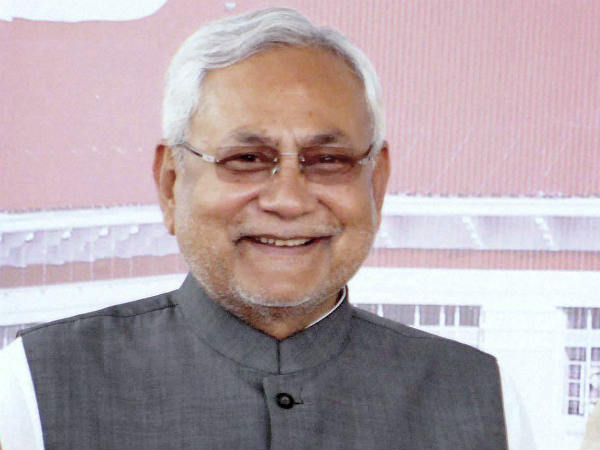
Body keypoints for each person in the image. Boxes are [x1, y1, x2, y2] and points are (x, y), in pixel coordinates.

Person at [0, 7, 534, 450]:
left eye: (328, 160)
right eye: (247, 158)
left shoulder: (479, 399)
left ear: (376, 183)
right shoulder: (40, 386)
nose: (288, 200)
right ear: (170, 183)